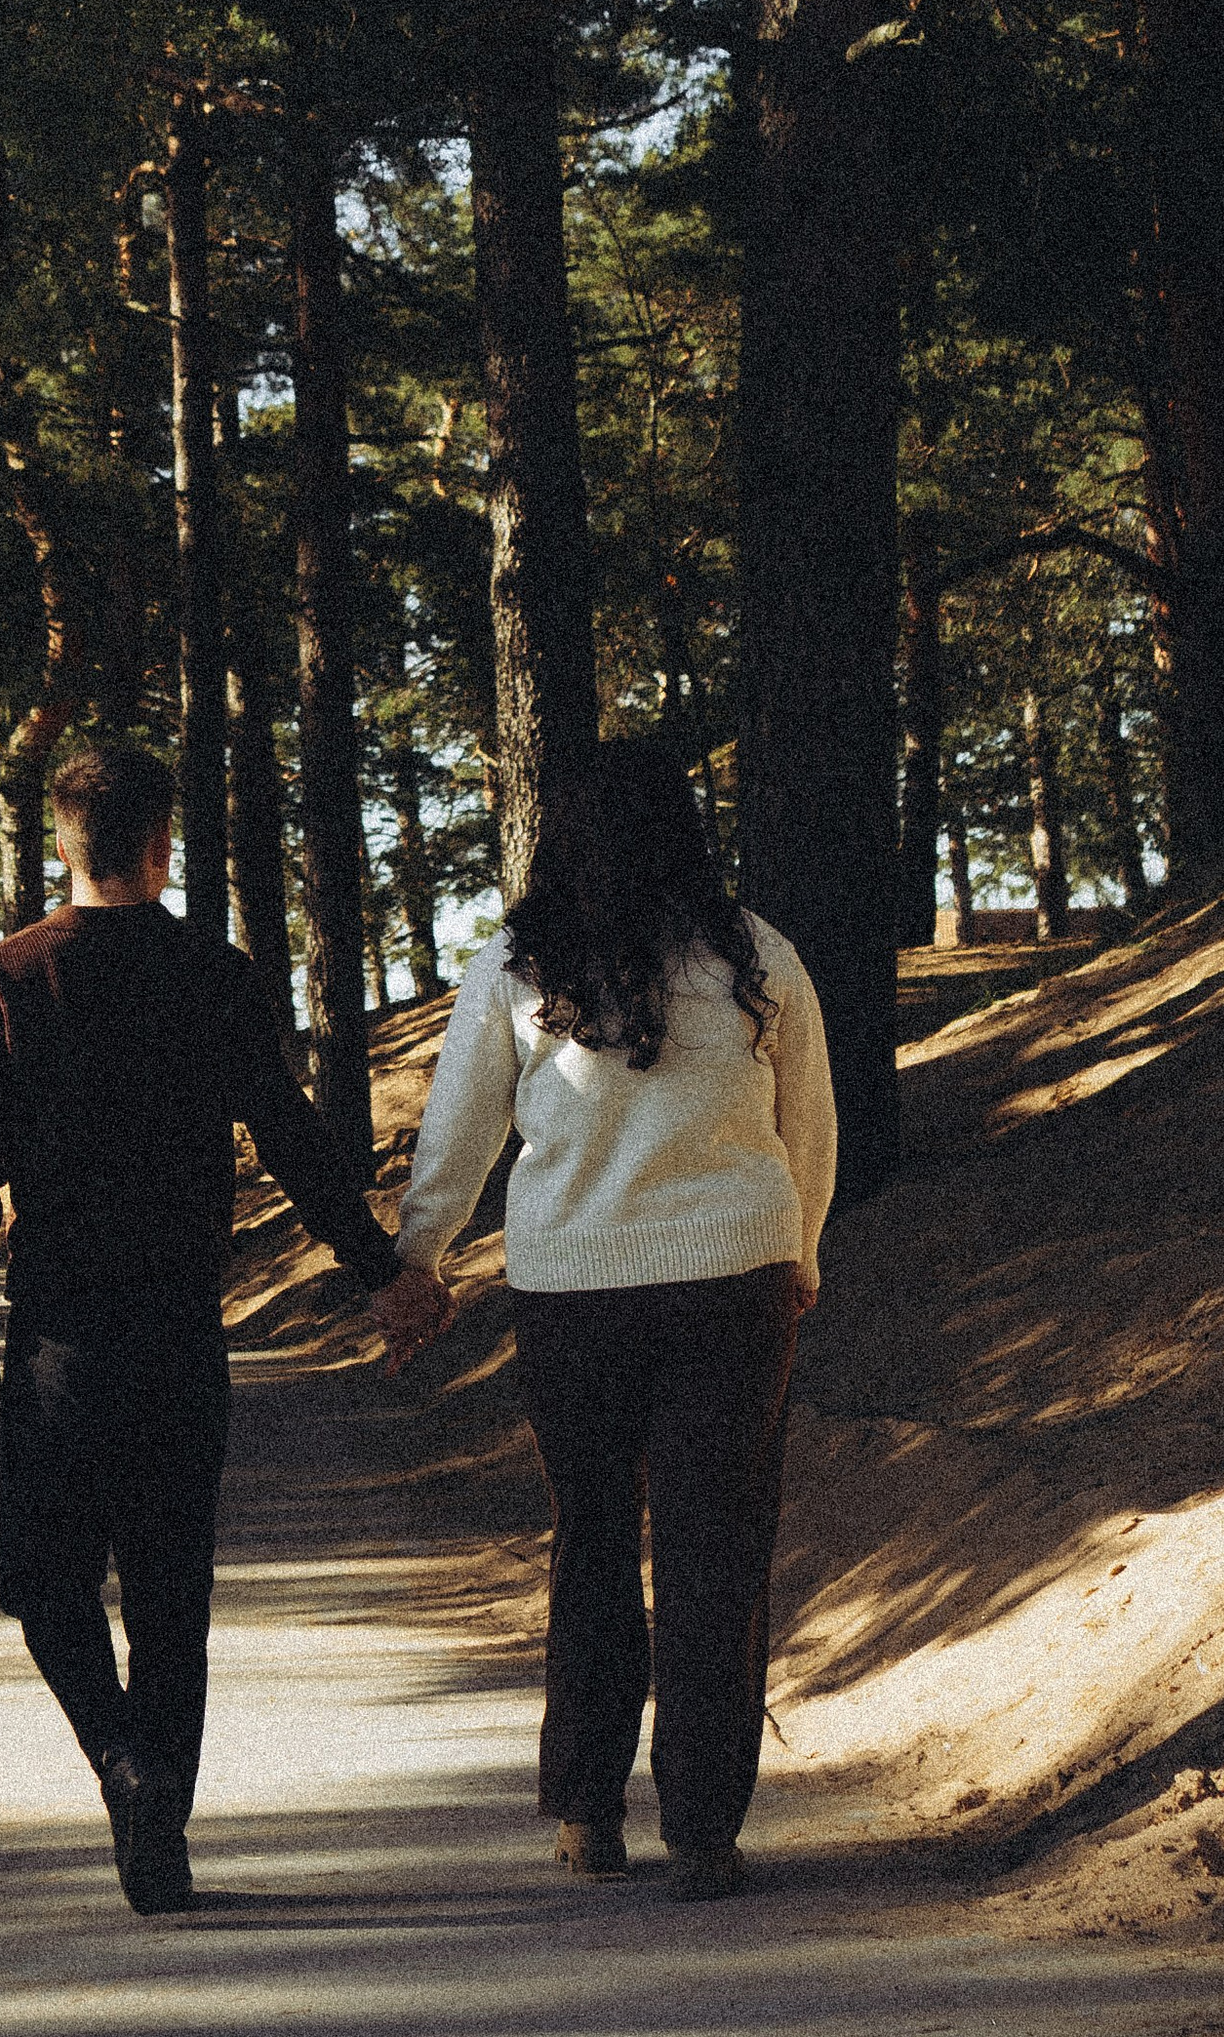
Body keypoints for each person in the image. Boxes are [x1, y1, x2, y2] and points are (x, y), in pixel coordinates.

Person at [0, 745, 405, 1916]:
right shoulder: (217, 972)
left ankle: (125, 1770)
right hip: (183, 1332)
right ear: (161, 846)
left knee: (42, 1584)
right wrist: (375, 1266)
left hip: (57, 1333)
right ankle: (161, 1827)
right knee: (169, 1595)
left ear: (61, 844)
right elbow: (293, 1139)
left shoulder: (6, 978)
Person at [373, 738, 836, 1904]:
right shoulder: (753, 956)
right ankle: (703, 1830)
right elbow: (809, 1124)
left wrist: (414, 1260)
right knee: (713, 1553)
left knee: (591, 1542)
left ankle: (586, 1813)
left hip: (573, 1294)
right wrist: (805, 1252)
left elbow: (460, 1133)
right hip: (735, 1282)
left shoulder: (519, 971)